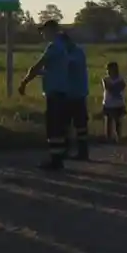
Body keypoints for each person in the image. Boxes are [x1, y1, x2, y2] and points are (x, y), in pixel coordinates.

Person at [18, 19, 71, 171]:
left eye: (44, 31)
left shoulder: (53, 47)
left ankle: (55, 160)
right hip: (62, 90)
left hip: (55, 91)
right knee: (58, 126)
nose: (42, 34)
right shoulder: (63, 47)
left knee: (53, 126)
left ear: (51, 30)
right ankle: (58, 157)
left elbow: (37, 66)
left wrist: (24, 82)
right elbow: (52, 69)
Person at [62, 30, 91, 160]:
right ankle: (66, 150)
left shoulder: (78, 52)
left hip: (78, 94)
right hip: (66, 94)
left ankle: (83, 152)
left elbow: (70, 63)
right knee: (65, 124)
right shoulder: (66, 52)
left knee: (80, 125)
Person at [101, 61, 127, 143]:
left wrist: (114, 87)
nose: (108, 71)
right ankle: (108, 137)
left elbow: (122, 86)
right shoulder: (106, 79)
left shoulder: (120, 78)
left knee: (118, 121)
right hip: (108, 103)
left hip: (118, 103)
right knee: (108, 120)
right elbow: (108, 87)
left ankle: (119, 137)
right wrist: (116, 86)